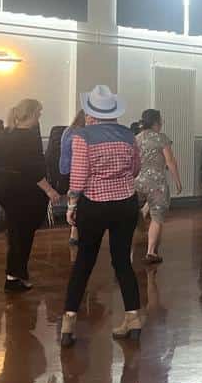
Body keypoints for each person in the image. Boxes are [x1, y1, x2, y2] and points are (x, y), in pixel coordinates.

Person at [60, 86, 143, 348]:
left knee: (84, 262)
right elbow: (136, 168)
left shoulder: (82, 136)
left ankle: (68, 322)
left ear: (91, 112)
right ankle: (133, 318)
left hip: (94, 204)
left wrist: (72, 205)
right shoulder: (129, 136)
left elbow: (79, 176)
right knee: (122, 262)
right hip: (126, 204)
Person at [0, 98, 60, 292]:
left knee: (16, 234)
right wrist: (49, 190)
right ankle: (14, 276)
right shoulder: (28, 138)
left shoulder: (7, 134)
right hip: (25, 193)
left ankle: (17, 274)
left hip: (10, 190)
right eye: (39, 113)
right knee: (23, 236)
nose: (40, 116)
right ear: (32, 113)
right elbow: (32, 169)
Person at [134, 109, 183, 264]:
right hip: (156, 183)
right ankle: (150, 252)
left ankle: (140, 215)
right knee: (157, 217)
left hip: (138, 182)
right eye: (161, 121)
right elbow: (170, 161)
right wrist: (177, 181)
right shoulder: (162, 139)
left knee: (133, 215)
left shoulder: (135, 139)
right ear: (156, 123)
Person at [60, 109, 93, 247]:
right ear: (84, 117)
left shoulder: (69, 130)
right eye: (91, 117)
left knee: (78, 201)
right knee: (78, 200)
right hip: (74, 170)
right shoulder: (78, 133)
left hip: (69, 170)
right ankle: (75, 231)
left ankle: (76, 231)